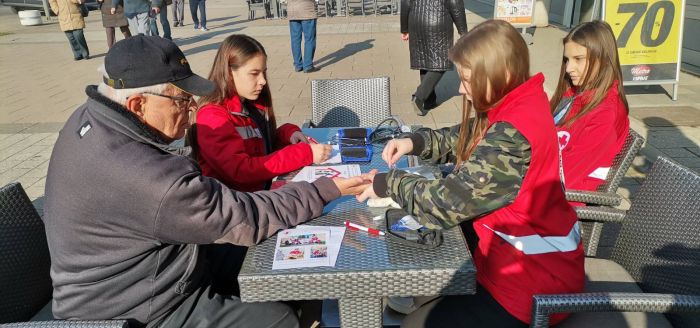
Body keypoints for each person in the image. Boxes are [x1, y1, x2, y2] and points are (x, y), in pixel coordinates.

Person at [43, 35, 367, 327]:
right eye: (181, 100)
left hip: (146, 269)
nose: (192, 109)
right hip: (137, 309)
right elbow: (243, 217)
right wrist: (325, 188)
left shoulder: (88, 119)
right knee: (279, 318)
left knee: (284, 262)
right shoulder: (142, 174)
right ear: (137, 104)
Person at [356, 20, 584, 327]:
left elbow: (448, 204)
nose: (462, 89)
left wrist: (389, 183)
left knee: (415, 324)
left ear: (499, 74)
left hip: (531, 286)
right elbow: (467, 136)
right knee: (422, 290)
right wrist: (415, 141)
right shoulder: (519, 102)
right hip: (516, 262)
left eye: (466, 80)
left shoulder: (513, 137)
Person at [193, 34, 331, 192]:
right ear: (230, 73)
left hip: (254, 197)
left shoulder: (247, 103)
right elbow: (240, 170)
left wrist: (287, 134)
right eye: (254, 73)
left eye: (264, 72)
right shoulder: (212, 116)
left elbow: (261, 147)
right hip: (235, 205)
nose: (263, 81)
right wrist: (303, 154)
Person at [550, 20, 630, 199]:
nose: (569, 68)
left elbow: (567, 176)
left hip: (565, 204)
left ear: (602, 58)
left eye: (578, 59)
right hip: (546, 190)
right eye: (567, 60)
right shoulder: (573, 94)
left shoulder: (605, 114)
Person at [400, 0, 467, 116]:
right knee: (442, 61)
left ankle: (429, 100)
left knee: (424, 58)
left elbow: (405, 3)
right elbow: (456, 4)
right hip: (438, 21)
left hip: (416, 21)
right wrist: (463, 31)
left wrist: (404, 28)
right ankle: (420, 97)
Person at [287, 0, 318, 73]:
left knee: (295, 40)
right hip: (307, 10)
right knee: (309, 39)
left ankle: (298, 65)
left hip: (292, 10)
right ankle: (308, 66)